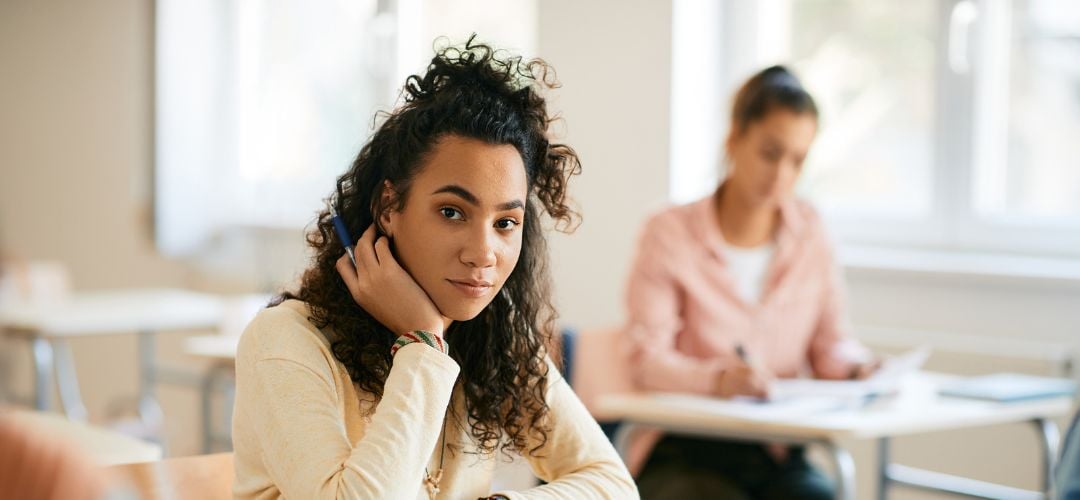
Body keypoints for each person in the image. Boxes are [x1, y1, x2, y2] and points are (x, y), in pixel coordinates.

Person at [231, 37, 638, 499]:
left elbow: (612, 484)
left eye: (506, 222)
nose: (484, 252)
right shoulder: (285, 340)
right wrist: (423, 342)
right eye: (451, 212)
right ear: (389, 206)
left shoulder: (495, 334)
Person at [624, 65, 878, 500]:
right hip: (687, 447)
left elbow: (830, 344)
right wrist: (719, 380)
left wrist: (856, 365)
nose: (781, 174)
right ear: (735, 138)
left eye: (797, 160)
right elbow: (647, 361)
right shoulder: (669, 232)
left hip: (774, 450)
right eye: (770, 152)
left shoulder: (810, 232)